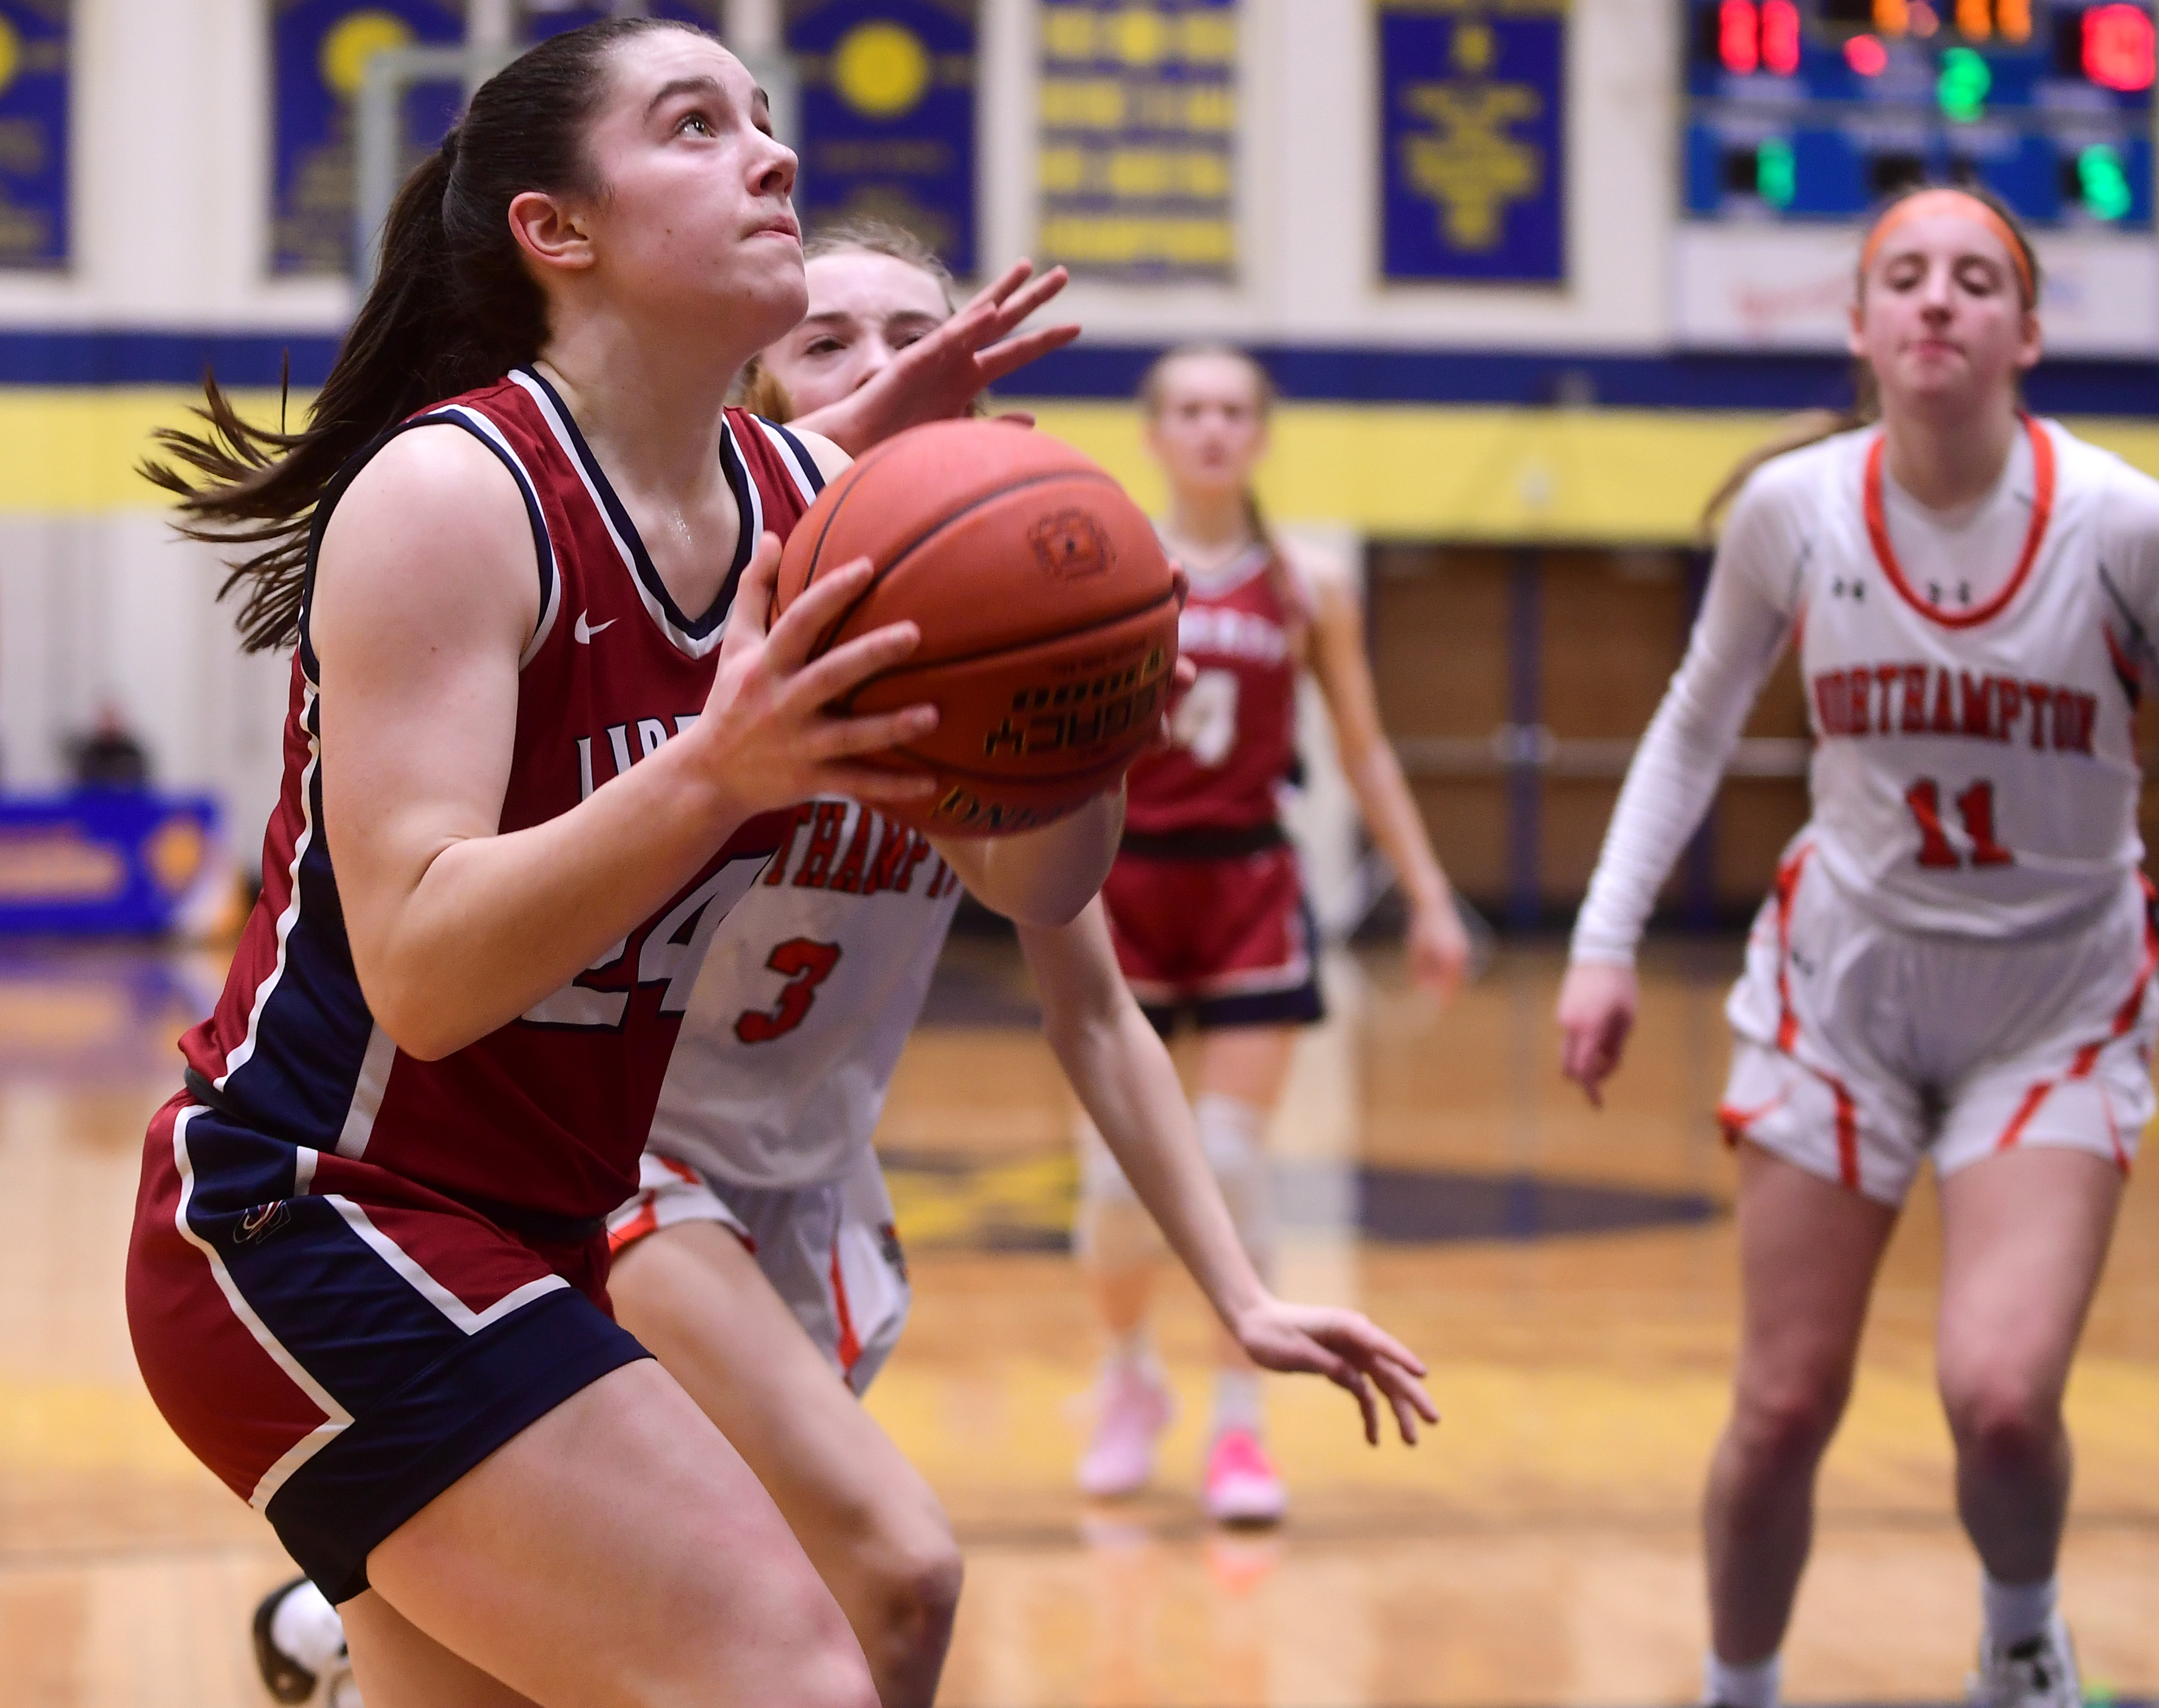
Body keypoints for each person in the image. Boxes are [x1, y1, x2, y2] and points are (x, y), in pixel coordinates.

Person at [250, 223, 1439, 1708]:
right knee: (894, 1578)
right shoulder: (677, 594)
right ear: (746, 393)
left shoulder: (969, 652)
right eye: (829, 341)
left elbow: (1090, 1001)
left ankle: (350, 1634)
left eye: (913, 337)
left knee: (676, 1640)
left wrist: (1240, 1291)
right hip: (617, 1181)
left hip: (808, 1191)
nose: (881, 369)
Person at [126, 20, 1137, 1706]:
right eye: (695, 125)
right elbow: (429, 981)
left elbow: (1040, 890)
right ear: (558, 229)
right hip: (317, 1218)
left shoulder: (804, 501)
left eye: (765, 117)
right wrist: (714, 771)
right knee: (806, 1667)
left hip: (543, 1231)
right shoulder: (456, 495)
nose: (772, 156)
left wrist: (1064, 698)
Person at [1556, 186, 2159, 1708]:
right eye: (1906, 276)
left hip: (2058, 995)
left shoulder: (2120, 524)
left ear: (2027, 332)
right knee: (1782, 1405)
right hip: (1845, 990)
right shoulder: (1797, 512)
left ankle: (2021, 1643)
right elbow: (1694, 728)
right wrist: (1602, 941)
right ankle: (1736, 1686)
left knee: (2005, 1400)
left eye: (1975, 280)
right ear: (1861, 326)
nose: (1938, 301)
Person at [1075, 342, 1472, 1524]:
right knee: (1111, 1184)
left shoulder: (1305, 586)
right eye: (1187, 409)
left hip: (1246, 889)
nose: (1209, 428)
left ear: (1259, 431)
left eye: (1232, 410)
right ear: (1151, 432)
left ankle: (1240, 1426)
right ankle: (1126, 1375)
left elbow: (1362, 748)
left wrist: (1431, 892)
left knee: (1237, 1161)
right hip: (1119, 890)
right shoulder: (1106, 566)